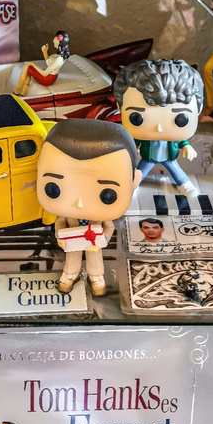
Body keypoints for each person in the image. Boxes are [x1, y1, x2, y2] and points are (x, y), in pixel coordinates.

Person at [35, 119, 142, 297]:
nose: (79, 203)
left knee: (95, 259)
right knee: (72, 257)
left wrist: (102, 240)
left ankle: (96, 278)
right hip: (73, 238)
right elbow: (59, 223)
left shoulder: (100, 217)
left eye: (107, 195)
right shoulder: (68, 214)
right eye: (54, 189)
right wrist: (60, 237)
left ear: (134, 182)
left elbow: (109, 227)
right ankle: (70, 275)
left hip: (94, 242)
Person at [113, 57, 204, 197]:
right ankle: (133, 185)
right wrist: (134, 147)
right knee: (139, 172)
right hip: (148, 157)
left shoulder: (172, 138)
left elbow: (182, 142)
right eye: (137, 118)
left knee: (177, 171)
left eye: (181, 120)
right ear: (119, 107)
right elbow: (135, 143)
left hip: (168, 157)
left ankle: (184, 184)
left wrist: (187, 146)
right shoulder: (142, 137)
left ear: (199, 109)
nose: (159, 128)